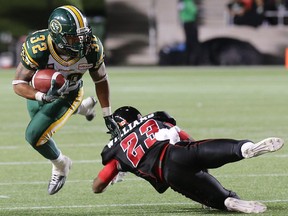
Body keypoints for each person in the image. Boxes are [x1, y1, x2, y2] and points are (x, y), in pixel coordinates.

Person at [12, 5, 121, 195]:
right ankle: (84, 108)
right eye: (74, 38)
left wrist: (107, 114)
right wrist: (42, 96)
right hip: (41, 90)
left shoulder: (92, 48)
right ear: (58, 37)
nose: (82, 42)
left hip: (70, 93)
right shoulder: (39, 46)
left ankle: (61, 165)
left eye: (83, 36)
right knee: (40, 119)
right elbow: (18, 83)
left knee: (35, 135)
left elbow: (101, 80)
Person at [92, 106, 284, 213]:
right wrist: (199, 162)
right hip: (180, 153)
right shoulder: (154, 120)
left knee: (217, 199)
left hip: (169, 174)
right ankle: (246, 148)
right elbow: (188, 139)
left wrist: (117, 170)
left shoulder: (116, 152)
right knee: (225, 149)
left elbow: (97, 186)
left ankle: (227, 201)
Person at [178, 0, 200, 65]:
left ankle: (187, 61)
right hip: (190, 23)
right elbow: (194, 11)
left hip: (186, 23)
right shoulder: (188, 2)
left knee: (189, 43)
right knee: (194, 43)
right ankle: (194, 61)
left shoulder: (182, 2)